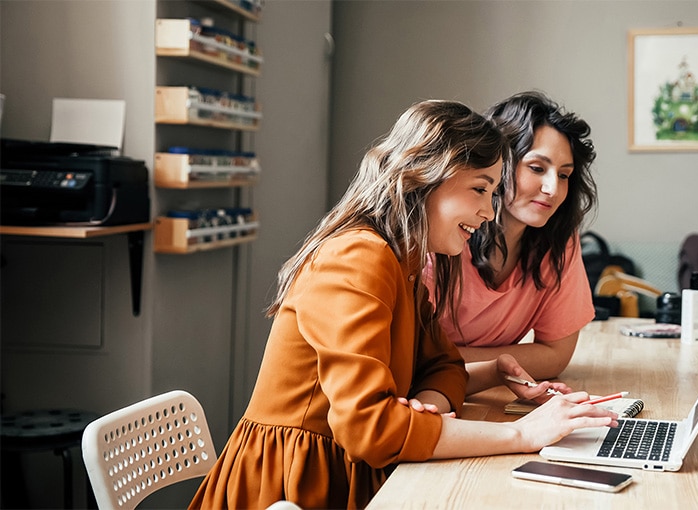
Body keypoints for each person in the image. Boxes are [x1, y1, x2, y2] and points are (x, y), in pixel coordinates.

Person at [188, 100, 617, 510]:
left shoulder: (405, 259)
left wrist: (471, 381)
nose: (489, 212)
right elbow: (369, 430)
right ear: (424, 177)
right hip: (293, 484)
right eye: (480, 190)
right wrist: (522, 434)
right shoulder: (359, 257)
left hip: (352, 471)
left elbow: (441, 366)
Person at [425, 91, 598, 393]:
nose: (552, 189)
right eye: (537, 168)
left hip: (481, 390)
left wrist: (457, 361)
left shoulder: (559, 241)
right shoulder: (441, 235)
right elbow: (411, 361)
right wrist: (505, 362)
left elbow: (555, 356)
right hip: (429, 396)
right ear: (497, 162)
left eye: (565, 175)